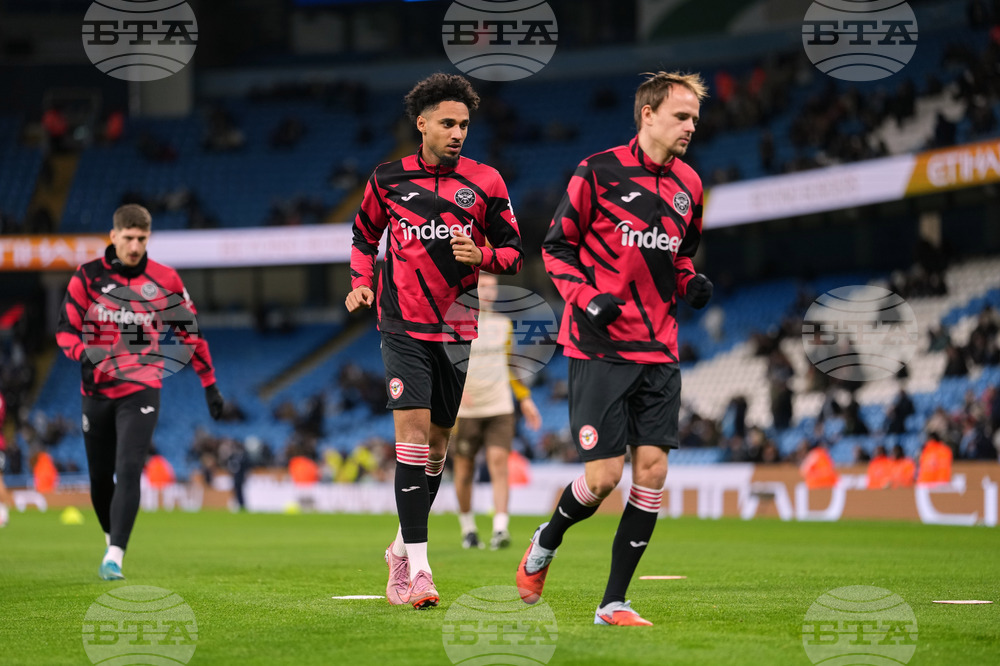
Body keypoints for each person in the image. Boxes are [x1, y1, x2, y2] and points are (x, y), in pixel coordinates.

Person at [517, 71, 712, 626]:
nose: (690, 127)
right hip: (599, 345)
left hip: (660, 348)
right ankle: (546, 540)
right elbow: (556, 248)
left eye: (695, 119)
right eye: (681, 116)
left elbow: (679, 254)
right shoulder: (598, 171)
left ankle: (614, 603)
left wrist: (689, 281)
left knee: (651, 473)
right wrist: (586, 298)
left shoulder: (691, 185)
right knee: (603, 479)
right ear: (647, 114)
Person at [345, 73, 523, 609]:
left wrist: (483, 256)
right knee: (413, 439)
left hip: (458, 329)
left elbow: (514, 252)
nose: (458, 133)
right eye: (448, 123)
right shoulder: (387, 179)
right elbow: (363, 237)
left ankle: (400, 548)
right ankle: (420, 572)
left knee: (438, 448)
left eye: (464, 124)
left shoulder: (486, 182)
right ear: (421, 124)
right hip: (401, 325)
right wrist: (360, 282)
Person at [57, 204, 225, 580]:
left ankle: (115, 555)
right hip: (96, 392)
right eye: (129, 238)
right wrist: (84, 352)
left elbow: (191, 335)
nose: (135, 246)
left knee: (129, 467)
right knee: (100, 478)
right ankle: (110, 538)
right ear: (113, 236)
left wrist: (210, 384)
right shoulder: (87, 277)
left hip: (141, 387)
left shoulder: (164, 279)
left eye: (142, 239)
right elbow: (65, 331)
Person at [451, 273, 542, 551]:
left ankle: (500, 528)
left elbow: (510, 365)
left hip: (500, 406)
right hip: (467, 410)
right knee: (464, 470)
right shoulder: (457, 324)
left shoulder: (504, 325)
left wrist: (525, 399)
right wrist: (455, 389)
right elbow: (447, 362)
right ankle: (468, 529)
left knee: (499, 464)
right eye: (483, 287)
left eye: (492, 287)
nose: (489, 292)